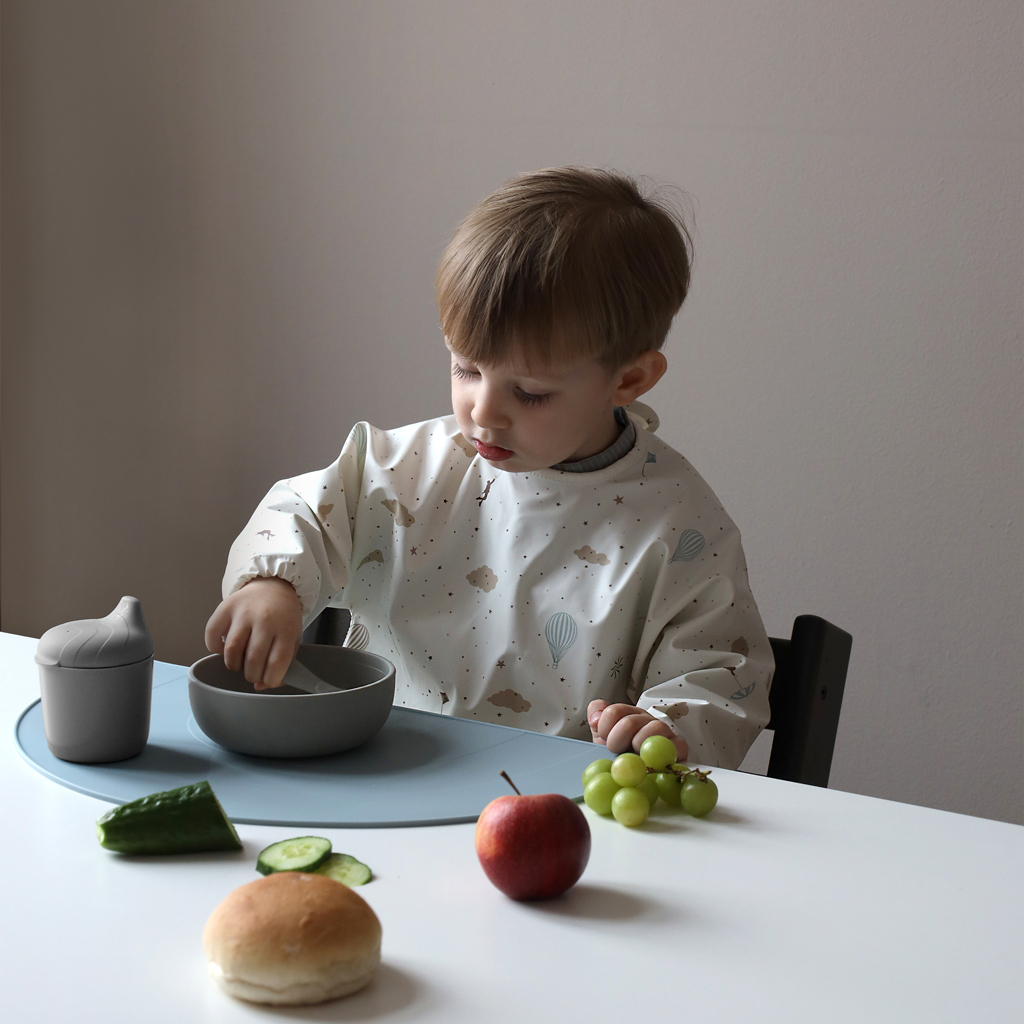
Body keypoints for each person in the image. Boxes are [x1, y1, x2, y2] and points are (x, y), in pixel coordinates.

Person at [205, 167, 773, 769]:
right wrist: (273, 584)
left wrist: (662, 725)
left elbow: (719, 671)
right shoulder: (408, 469)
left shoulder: (677, 525)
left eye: (529, 392)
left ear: (628, 380)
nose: (483, 411)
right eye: (466, 370)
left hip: (562, 810)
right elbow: (303, 510)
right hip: (381, 774)